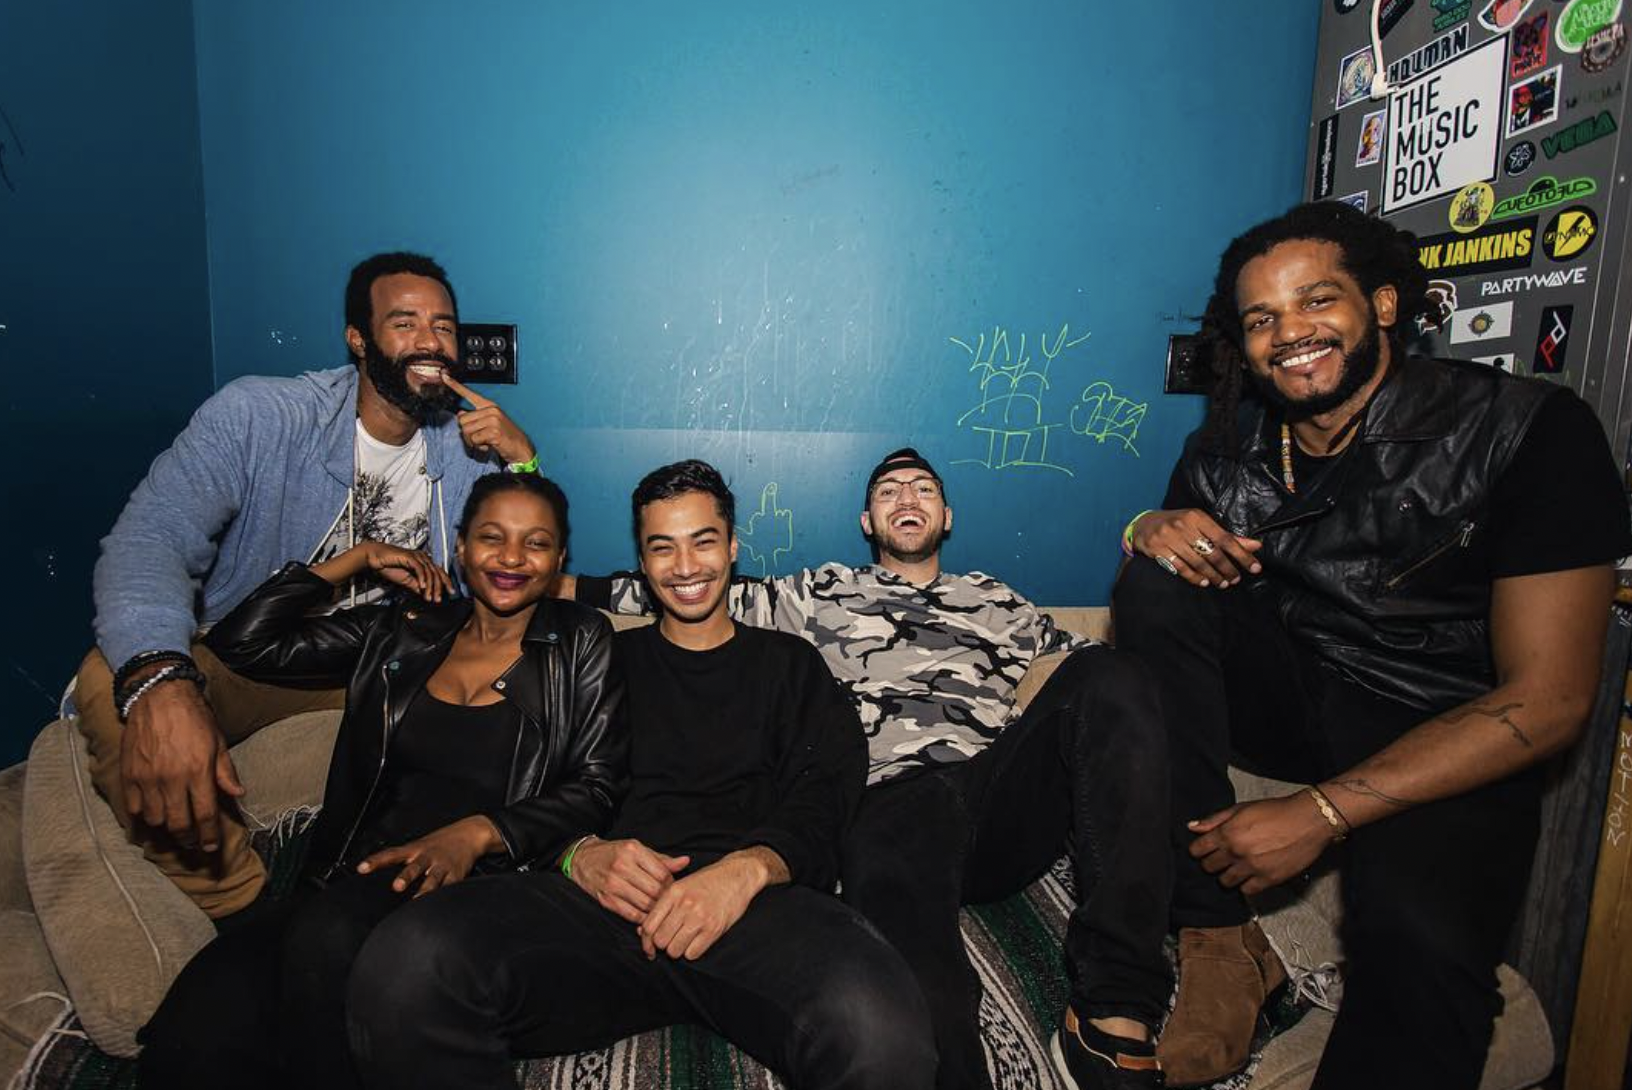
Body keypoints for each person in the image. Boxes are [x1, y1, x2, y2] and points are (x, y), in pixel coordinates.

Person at [1112, 200, 1629, 1089]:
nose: (1290, 333)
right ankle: (1217, 937)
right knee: (1154, 582)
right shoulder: (1227, 444)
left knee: (1419, 947)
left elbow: (1549, 701)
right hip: (1283, 693)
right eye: (1262, 318)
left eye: (1317, 301)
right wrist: (1145, 528)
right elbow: (1181, 589)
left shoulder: (1525, 428)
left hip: (1434, 714)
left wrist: (1319, 813)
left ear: (1383, 304)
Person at [563, 448, 1171, 1090]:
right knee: (915, 984)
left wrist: (1141, 540)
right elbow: (685, 577)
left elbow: (1104, 699)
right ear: (866, 521)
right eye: (887, 491)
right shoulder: (821, 592)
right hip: (891, 804)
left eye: (922, 488)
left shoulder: (1001, 601)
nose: (906, 498)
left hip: (994, 796)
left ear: (947, 515)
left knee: (1115, 674)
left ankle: (1115, 1012)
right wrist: (536, 577)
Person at [341, 460, 935, 1090]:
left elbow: (828, 792)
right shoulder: (597, 659)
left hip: (754, 909)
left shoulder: (789, 663)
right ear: (643, 561)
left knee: (881, 1033)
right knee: (408, 965)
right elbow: (531, 786)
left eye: (703, 541)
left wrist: (746, 871)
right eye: (663, 547)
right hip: (601, 913)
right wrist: (577, 854)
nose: (685, 567)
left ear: (733, 547)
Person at [77, 251, 538, 918]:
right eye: (404, 323)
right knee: (107, 681)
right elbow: (150, 539)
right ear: (359, 339)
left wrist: (522, 461)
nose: (430, 341)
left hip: (382, 666)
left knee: (527, 686)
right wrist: (163, 682)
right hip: (256, 653)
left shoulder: (466, 449)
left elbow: (518, 567)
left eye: (443, 326)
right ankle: (244, 911)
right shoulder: (261, 416)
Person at [138, 471, 624, 1090]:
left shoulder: (580, 640)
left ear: (559, 559)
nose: (510, 558)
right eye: (492, 537)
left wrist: (478, 833)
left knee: (327, 943)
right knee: (196, 1022)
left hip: (480, 885)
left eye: (535, 543)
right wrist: (359, 559)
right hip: (352, 877)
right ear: (461, 546)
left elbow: (597, 787)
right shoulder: (402, 628)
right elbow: (244, 642)